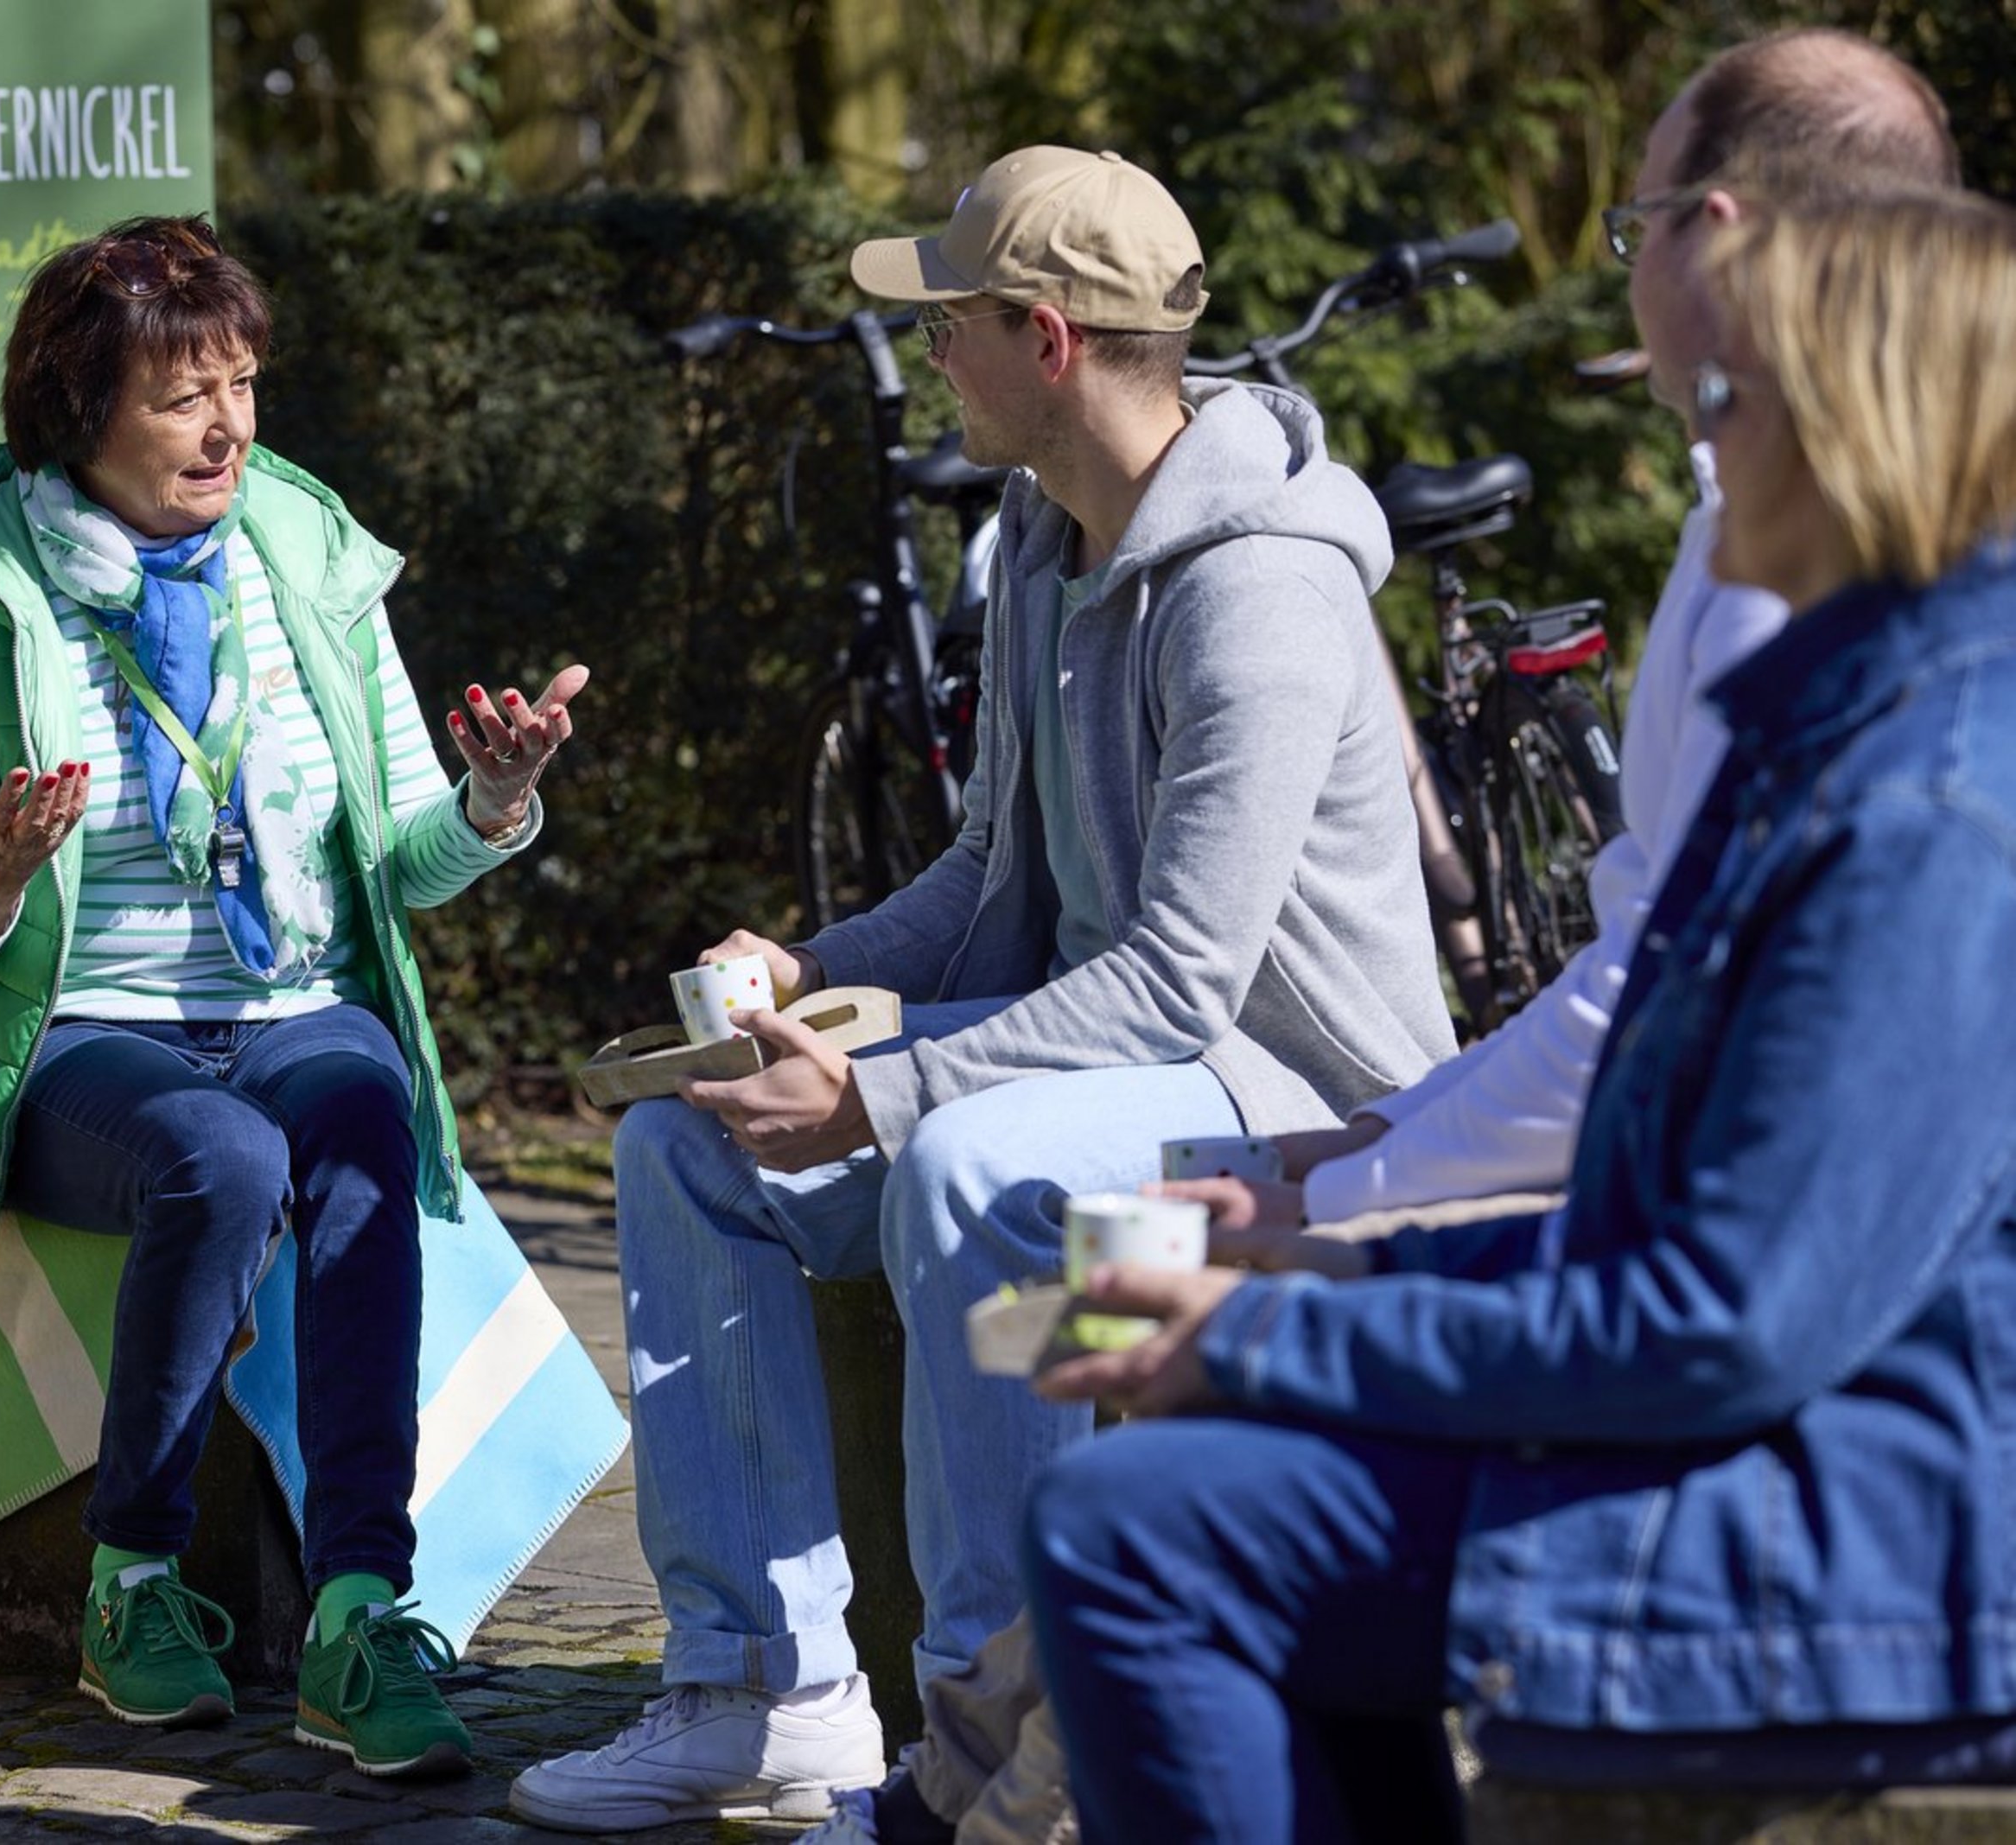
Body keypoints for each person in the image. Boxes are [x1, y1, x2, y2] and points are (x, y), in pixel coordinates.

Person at [798, 34, 1967, 1845]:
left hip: (1866, 1534)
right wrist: (1330, 1213)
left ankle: (973, 1795)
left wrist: (1305, 1285)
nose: (1699, 518)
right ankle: (905, 1753)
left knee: (1110, 1454)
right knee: (1141, 1437)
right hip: (1696, 1370)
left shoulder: (1915, 791)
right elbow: (1651, 1121)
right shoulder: (1850, 717)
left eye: (1731, 436)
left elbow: (1719, 1305)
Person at [512, 147, 1454, 1834]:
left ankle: (990, 1753)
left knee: (969, 1168)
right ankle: (763, 1686)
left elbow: (1180, 982)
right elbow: (986, 877)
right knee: (687, 1134)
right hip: (1119, 1060)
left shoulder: (1260, 589)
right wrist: (806, 970)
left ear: (1048, 339)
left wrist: (879, 1090)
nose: (929, 351)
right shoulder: (1036, 534)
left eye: (949, 321)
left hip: (1301, 1120)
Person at [0, 213, 588, 1781]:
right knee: (224, 1153)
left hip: (297, 1006)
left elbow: (401, 869)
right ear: (80, 414)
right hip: (79, 1038)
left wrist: (492, 802)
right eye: (182, 396)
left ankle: (359, 1614)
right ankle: (130, 1582)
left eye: (243, 383)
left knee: (359, 1114)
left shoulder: (306, 559)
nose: (228, 428)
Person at [1163, 25, 1960, 1237]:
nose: (1624, 271)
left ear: (1719, 236)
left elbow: (1658, 1010)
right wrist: (1385, 1132)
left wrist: (1330, 1201)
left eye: (1635, 230)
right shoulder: (1813, 506)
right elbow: (1642, 957)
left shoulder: (1797, 564)